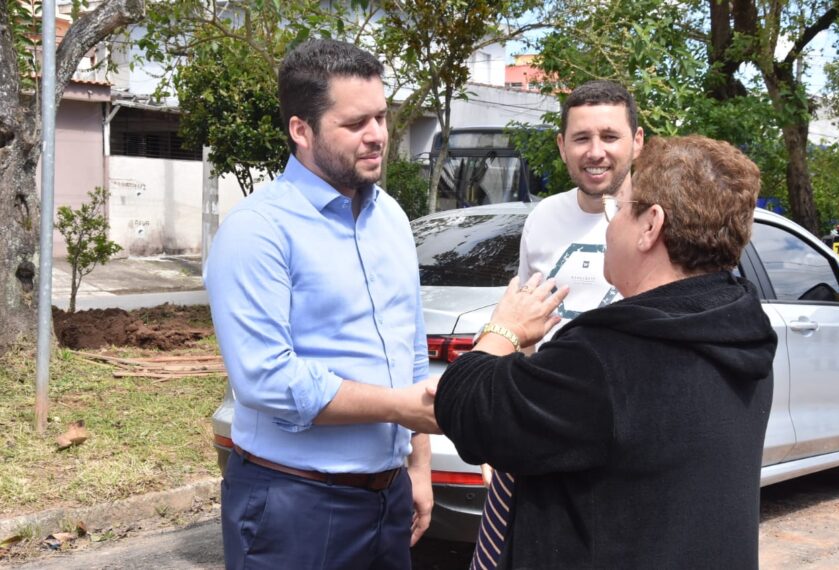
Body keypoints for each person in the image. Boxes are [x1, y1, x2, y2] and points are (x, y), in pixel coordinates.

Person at [432, 135, 778, 569]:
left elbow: (467, 406)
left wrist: (505, 329)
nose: (610, 225)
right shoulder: (743, 330)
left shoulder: (607, 357)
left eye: (618, 208)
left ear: (651, 225)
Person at [205, 38, 436, 570]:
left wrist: (416, 466)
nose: (377, 135)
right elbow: (266, 377)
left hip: (389, 498)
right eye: (355, 124)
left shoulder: (392, 219)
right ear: (301, 131)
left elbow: (410, 350)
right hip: (294, 505)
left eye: (380, 116)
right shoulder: (258, 231)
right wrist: (398, 407)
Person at [472, 80, 644, 570]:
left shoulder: (659, 217)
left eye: (610, 137)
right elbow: (525, 327)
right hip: (548, 433)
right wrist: (505, 424)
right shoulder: (543, 217)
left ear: (638, 141)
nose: (595, 152)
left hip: (630, 440)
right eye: (581, 138)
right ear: (561, 146)